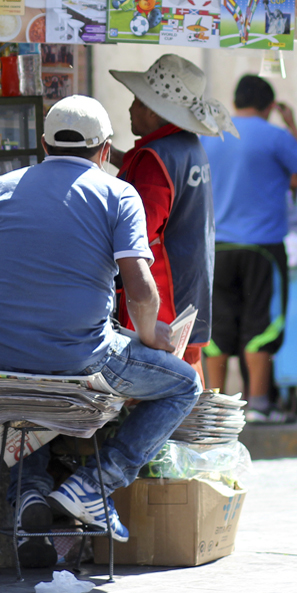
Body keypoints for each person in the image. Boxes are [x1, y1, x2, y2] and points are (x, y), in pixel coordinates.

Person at [0, 95, 202, 566]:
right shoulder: (118, 194)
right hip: (83, 358)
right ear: (104, 150)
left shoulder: (0, 188)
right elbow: (138, 285)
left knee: (29, 394)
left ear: (43, 145)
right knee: (186, 385)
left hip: (4, 361)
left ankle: (31, 492)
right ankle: (95, 485)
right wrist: (152, 336)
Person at [108, 55, 238, 380]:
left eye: (137, 101)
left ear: (153, 110)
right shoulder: (187, 147)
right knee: (185, 397)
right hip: (189, 300)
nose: (130, 109)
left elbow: (136, 236)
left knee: (154, 402)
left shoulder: (155, 159)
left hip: (158, 309)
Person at [203, 74, 297, 422]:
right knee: (261, 324)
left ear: (235, 100)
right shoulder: (275, 136)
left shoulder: (210, 135)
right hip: (263, 248)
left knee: (218, 327)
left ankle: (215, 409)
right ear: (269, 106)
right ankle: (259, 404)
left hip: (216, 248)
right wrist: (292, 124)